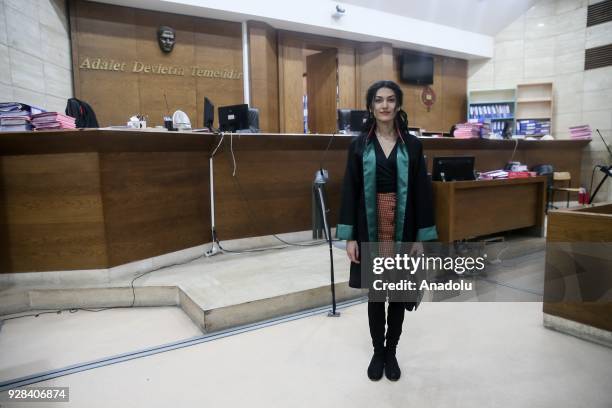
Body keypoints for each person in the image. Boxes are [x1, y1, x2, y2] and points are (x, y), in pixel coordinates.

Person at [336, 80, 438, 381]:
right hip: (371, 225)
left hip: (403, 225)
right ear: (371, 105)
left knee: (397, 291)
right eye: (378, 100)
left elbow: (422, 193)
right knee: (376, 292)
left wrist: (421, 237)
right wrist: (350, 236)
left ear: (398, 105)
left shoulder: (413, 145)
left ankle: (391, 351)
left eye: (390, 100)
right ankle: (377, 351)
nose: (384, 105)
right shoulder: (358, 145)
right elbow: (349, 191)